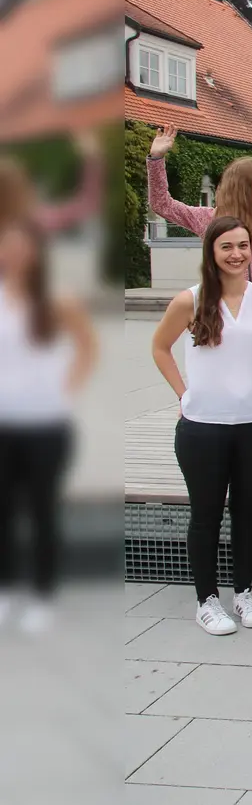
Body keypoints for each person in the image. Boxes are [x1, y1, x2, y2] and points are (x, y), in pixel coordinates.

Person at [147, 115, 252, 495]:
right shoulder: (211, 220)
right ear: (240, 182)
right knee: (223, 385)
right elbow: (162, 204)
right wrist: (156, 160)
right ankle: (219, 448)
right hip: (219, 315)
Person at [149, 217, 252, 636]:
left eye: (243, 245)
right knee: (206, 514)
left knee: (249, 511)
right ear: (211, 251)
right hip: (203, 428)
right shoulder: (190, 300)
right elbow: (159, 347)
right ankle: (206, 599)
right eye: (227, 246)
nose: (237, 254)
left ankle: (243, 591)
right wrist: (184, 394)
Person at [0, 220, 95, 633]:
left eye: (23, 247)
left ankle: (42, 595)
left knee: (42, 511)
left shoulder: (57, 300)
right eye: (8, 247)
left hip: (46, 426)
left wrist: (64, 390)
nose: (16, 255)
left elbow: (87, 347)